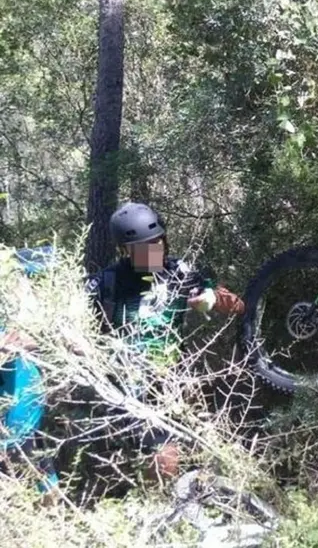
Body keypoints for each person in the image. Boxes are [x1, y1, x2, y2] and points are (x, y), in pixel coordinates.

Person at [85, 202, 244, 479]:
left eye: (159, 243)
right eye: (145, 247)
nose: (154, 251)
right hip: (127, 384)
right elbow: (73, 318)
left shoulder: (179, 272)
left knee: (195, 453)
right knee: (163, 461)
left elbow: (238, 305)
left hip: (173, 381)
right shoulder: (106, 283)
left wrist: (212, 298)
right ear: (126, 250)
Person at [0, 246, 60, 494]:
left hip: (17, 388)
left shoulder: (8, 270)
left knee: (21, 456)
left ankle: (52, 518)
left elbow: (32, 330)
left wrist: (10, 346)